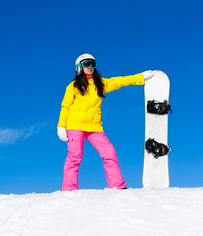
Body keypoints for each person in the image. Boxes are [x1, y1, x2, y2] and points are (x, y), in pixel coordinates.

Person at [57, 53, 155, 191]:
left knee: (109, 153)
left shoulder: (101, 84)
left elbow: (120, 81)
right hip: (75, 125)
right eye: (86, 64)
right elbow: (65, 106)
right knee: (75, 157)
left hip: (95, 127)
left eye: (93, 63)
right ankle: (69, 189)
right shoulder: (73, 86)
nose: (90, 67)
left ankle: (118, 186)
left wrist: (141, 77)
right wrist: (61, 125)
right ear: (79, 67)